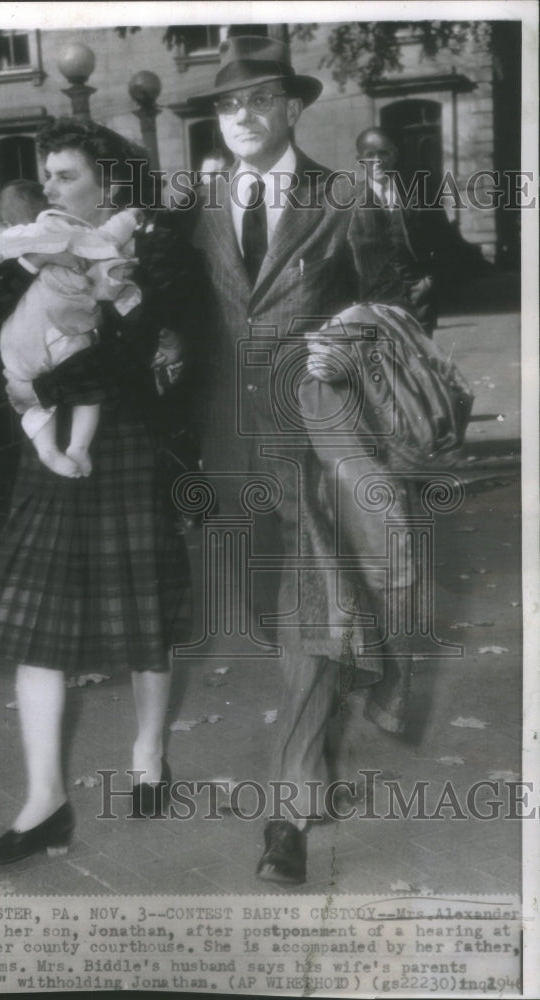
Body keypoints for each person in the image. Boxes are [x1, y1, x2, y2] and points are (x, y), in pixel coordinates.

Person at [188, 36, 418, 885]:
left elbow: (397, 304)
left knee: (310, 621)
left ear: (291, 107)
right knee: (269, 613)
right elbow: (185, 310)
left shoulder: (345, 197)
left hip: (319, 438)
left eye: (257, 99)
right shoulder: (202, 203)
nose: (240, 115)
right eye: (225, 104)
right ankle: (315, 754)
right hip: (229, 449)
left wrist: (346, 346)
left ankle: (286, 813)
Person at [0, 118, 198, 864]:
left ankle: (150, 754)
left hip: (120, 441)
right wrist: (19, 280)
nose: (49, 188)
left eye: (64, 175)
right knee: (39, 616)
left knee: (142, 607)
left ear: (107, 184)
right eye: (48, 175)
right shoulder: (34, 248)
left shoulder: (149, 250)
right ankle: (44, 800)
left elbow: (138, 354)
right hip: (49, 444)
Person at [0, 180, 144, 478]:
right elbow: (108, 235)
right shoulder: (66, 233)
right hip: (64, 334)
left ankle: (47, 450)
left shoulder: (3, 247)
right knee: (89, 392)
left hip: (18, 344)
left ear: (4, 222)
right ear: (48, 210)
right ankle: (78, 447)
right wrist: (132, 213)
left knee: (25, 395)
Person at [351, 127, 445, 337]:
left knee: (419, 359)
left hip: (417, 294)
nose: (378, 161)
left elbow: (443, 239)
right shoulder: (349, 202)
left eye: (384, 153)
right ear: (360, 161)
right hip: (373, 299)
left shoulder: (420, 192)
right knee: (381, 361)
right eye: (370, 155)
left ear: (395, 155)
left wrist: (429, 281)